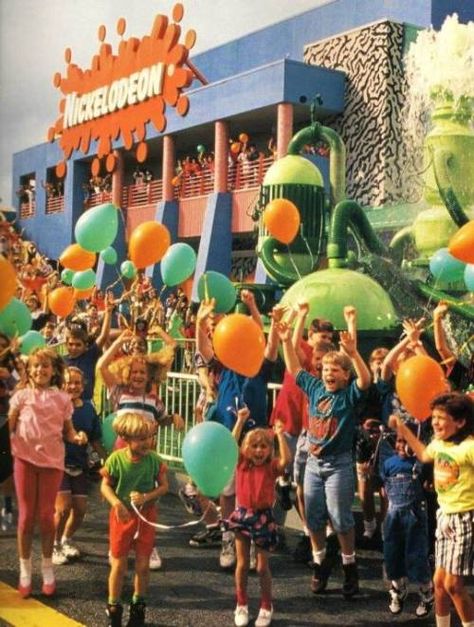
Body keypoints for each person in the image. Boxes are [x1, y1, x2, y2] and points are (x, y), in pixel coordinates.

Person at [278, 307, 371, 598]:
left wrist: (354, 355)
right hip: (314, 463)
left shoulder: (348, 395)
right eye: (326, 369)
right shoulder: (315, 388)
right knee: (314, 518)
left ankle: (349, 567)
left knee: (341, 519)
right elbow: (294, 369)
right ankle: (320, 564)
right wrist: (284, 340)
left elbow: (365, 381)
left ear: (344, 376)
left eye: (335, 370)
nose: (329, 373)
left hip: (339, 465)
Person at [97, 329, 184, 570]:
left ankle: (147, 544)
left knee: (146, 498)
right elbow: (102, 366)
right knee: (119, 498)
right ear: (126, 373)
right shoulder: (119, 393)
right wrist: (118, 343)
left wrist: (174, 418)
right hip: (122, 452)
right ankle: (116, 543)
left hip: (146, 454)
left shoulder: (155, 401)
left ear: (149, 377)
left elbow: (163, 419)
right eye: (133, 372)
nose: (137, 376)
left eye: (142, 373)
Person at [8, 347, 88, 598]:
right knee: (25, 517)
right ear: (28, 370)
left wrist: (78, 437)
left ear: (54, 371)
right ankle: (24, 569)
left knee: (45, 516)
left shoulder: (62, 399)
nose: (40, 370)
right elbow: (8, 427)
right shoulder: (21, 396)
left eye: (45, 366)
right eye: (35, 365)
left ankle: (47, 566)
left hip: (53, 462)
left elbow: (69, 431)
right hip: (24, 460)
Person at [389, 392, 474, 627]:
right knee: (439, 582)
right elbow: (425, 454)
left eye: (441, 417)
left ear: (460, 421)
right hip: (444, 516)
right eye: (433, 416)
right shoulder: (438, 443)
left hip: (465, 518)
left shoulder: (469, 448)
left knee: (453, 584)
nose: (434, 422)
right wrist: (404, 431)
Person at [100, 412, 168, 627]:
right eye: (140, 438)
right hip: (122, 517)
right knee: (118, 565)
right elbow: (105, 485)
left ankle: (138, 608)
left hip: (146, 517)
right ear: (126, 438)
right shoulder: (116, 459)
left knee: (143, 566)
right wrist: (116, 503)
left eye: (149, 437)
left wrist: (147, 497)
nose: (147, 442)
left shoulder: (155, 461)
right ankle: (114, 608)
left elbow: (164, 486)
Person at [227, 407, 291, 627]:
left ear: (269, 449)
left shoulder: (271, 467)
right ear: (246, 448)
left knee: (262, 567)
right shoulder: (242, 464)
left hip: (263, 517)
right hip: (242, 515)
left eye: (264, 446)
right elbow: (229, 445)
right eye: (254, 446)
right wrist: (240, 421)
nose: (259, 450)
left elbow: (286, 461)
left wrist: (280, 435)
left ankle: (266, 605)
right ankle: (241, 603)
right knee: (242, 564)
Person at [52, 367, 106, 565]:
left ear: (83, 386)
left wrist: (107, 460)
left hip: (79, 465)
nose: (72, 386)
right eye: (68, 382)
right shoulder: (55, 406)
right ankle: (54, 544)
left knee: (81, 509)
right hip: (58, 463)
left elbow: (96, 440)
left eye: (77, 383)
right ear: (60, 384)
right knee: (63, 508)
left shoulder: (89, 409)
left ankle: (66, 539)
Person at [381, 429, 434, 617]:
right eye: (399, 441)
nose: (402, 446)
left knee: (417, 555)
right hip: (393, 515)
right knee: (392, 555)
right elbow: (384, 489)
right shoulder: (388, 464)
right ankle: (397, 589)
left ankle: (426, 593)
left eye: (407, 442)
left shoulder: (420, 464)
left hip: (415, 516)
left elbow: (428, 482)